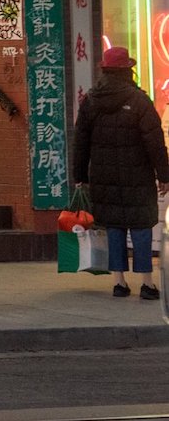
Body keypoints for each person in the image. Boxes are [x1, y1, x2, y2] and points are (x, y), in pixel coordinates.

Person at [71, 46, 169, 300]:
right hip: (138, 176)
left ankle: (119, 282)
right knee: (141, 226)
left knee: (114, 226)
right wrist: (164, 175)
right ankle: (147, 283)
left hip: (103, 177)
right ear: (128, 71)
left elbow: (80, 140)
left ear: (104, 70)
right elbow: (154, 141)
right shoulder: (139, 100)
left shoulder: (91, 101)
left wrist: (79, 175)